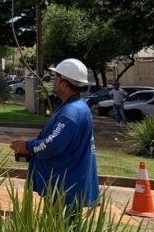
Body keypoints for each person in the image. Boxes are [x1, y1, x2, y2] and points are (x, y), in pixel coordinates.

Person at [10, 58, 99, 207]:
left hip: (65, 186)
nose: (53, 81)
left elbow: (53, 145)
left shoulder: (71, 113)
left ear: (64, 84)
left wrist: (28, 146)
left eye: (55, 77)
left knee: (62, 221)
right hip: (69, 182)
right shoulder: (77, 107)